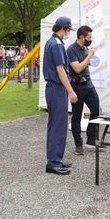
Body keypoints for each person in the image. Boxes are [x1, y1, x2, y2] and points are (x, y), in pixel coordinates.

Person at [43, 16, 78, 175]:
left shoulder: (51, 42)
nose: (68, 32)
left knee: (55, 125)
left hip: (53, 88)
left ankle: (55, 159)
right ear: (64, 29)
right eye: (68, 29)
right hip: (57, 88)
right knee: (58, 126)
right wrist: (70, 90)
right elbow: (60, 69)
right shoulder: (57, 44)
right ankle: (54, 162)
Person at [67, 25, 101, 155]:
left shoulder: (85, 48)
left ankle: (91, 139)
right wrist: (89, 57)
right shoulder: (71, 50)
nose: (90, 40)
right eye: (89, 37)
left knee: (96, 110)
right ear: (82, 37)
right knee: (77, 116)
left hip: (88, 84)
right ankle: (78, 144)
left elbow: (84, 64)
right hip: (77, 87)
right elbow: (77, 68)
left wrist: (87, 60)